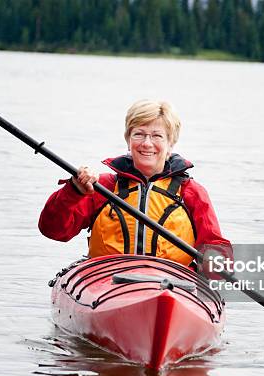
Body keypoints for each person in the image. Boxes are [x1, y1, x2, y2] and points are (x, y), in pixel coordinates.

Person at [38, 100, 230, 267]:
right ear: (128, 140)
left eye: (157, 136)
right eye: (139, 134)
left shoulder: (191, 192)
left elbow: (218, 252)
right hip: (107, 281)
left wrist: (216, 260)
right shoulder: (101, 186)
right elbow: (52, 230)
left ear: (171, 144)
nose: (147, 143)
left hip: (173, 285)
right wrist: (73, 191)